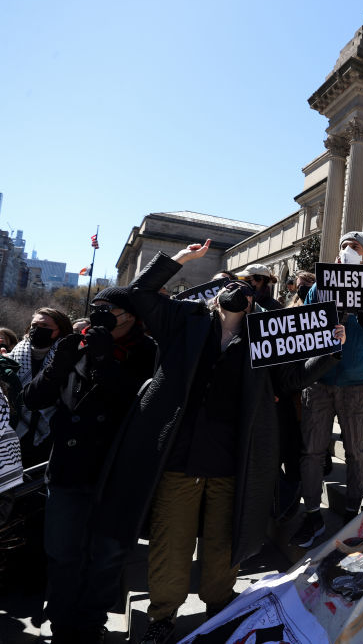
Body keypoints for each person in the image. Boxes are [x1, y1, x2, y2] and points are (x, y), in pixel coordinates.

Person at [91, 241, 344, 644]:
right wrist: (180, 261)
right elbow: (135, 296)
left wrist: (331, 350)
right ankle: (162, 616)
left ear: (254, 302)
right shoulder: (185, 320)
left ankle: (219, 604)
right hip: (178, 459)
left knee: (224, 545)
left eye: (249, 287)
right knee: (169, 544)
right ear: (218, 294)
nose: (242, 288)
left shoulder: (264, 339)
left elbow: (289, 382)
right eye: (237, 282)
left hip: (231, 462)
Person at [23, 288, 157, 644]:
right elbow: (34, 398)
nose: (100, 313)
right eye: (95, 307)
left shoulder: (148, 352)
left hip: (115, 473)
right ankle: (63, 626)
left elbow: (139, 405)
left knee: (106, 557)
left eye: (108, 308)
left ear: (129, 316)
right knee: (63, 553)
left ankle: (90, 624)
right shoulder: (75, 344)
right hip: (68, 469)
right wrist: (57, 365)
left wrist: (105, 361)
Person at [290, 231, 363, 548]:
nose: (347, 252)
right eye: (343, 248)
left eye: (354, 248)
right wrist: (326, 327)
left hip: (357, 384)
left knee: (355, 450)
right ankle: (312, 514)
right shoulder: (319, 288)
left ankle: (353, 509)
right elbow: (303, 330)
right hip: (320, 381)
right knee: (311, 450)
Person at [8, 307, 73, 466]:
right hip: (13, 431)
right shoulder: (16, 354)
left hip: (51, 434)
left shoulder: (69, 357)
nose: (37, 330)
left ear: (60, 330)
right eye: (34, 326)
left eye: (45, 327)